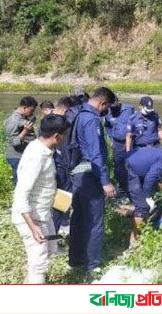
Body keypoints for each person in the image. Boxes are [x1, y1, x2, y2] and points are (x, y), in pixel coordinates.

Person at [11, 114, 71, 284]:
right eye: (65, 135)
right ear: (56, 136)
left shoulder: (42, 149)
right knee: (39, 261)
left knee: (49, 250)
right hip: (31, 216)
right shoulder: (36, 157)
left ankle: (29, 281)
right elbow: (21, 194)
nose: (65, 138)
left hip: (42, 213)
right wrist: (33, 226)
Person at [68, 87, 116, 273]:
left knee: (78, 217)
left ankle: (75, 260)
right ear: (102, 103)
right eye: (107, 108)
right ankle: (93, 265)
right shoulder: (91, 120)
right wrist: (105, 181)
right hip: (90, 174)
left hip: (78, 174)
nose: (106, 112)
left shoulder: (79, 113)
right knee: (95, 220)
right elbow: (96, 154)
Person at [50, 96, 76, 235]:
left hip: (58, 164)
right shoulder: (63, 122)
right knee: (62, 197)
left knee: (60, 198)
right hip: (62, 166)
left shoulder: (50, 120)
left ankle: (63, 223)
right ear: (66, 109)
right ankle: (56, 230)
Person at [104, 97, 136, 201]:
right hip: (117, 144)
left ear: (119, 102)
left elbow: (137, 121)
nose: (113, 109)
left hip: (130, 142)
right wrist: (111, 137)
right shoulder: (108, 112)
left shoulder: (129, 109)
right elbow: (107, 125)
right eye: (111, 107)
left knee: (132, 166)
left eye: (115, 106)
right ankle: (123, 190)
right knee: (119, 168)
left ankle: (134, 191)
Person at [4, 96, 38, 187]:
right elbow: (14, 142)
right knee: (18, 184)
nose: (32, 113)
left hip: (23, 155)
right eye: (31, 111)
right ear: (24, 108)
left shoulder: (23, 117)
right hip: (16, 157)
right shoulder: (14, 120)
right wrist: (25, 131)